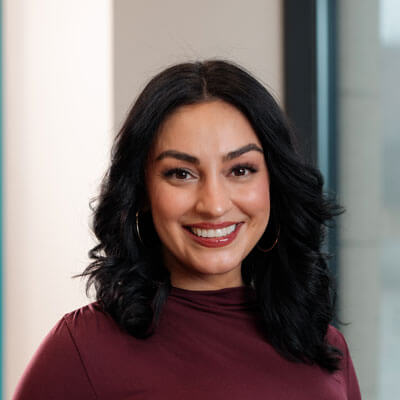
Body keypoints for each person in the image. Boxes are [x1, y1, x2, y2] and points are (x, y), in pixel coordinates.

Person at [14, 60, 362, 399]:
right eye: (181, 173)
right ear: (142, 193)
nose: (213, 204)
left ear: (275, 183)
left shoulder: (324, 346)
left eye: (240, 170)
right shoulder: (81, 350)